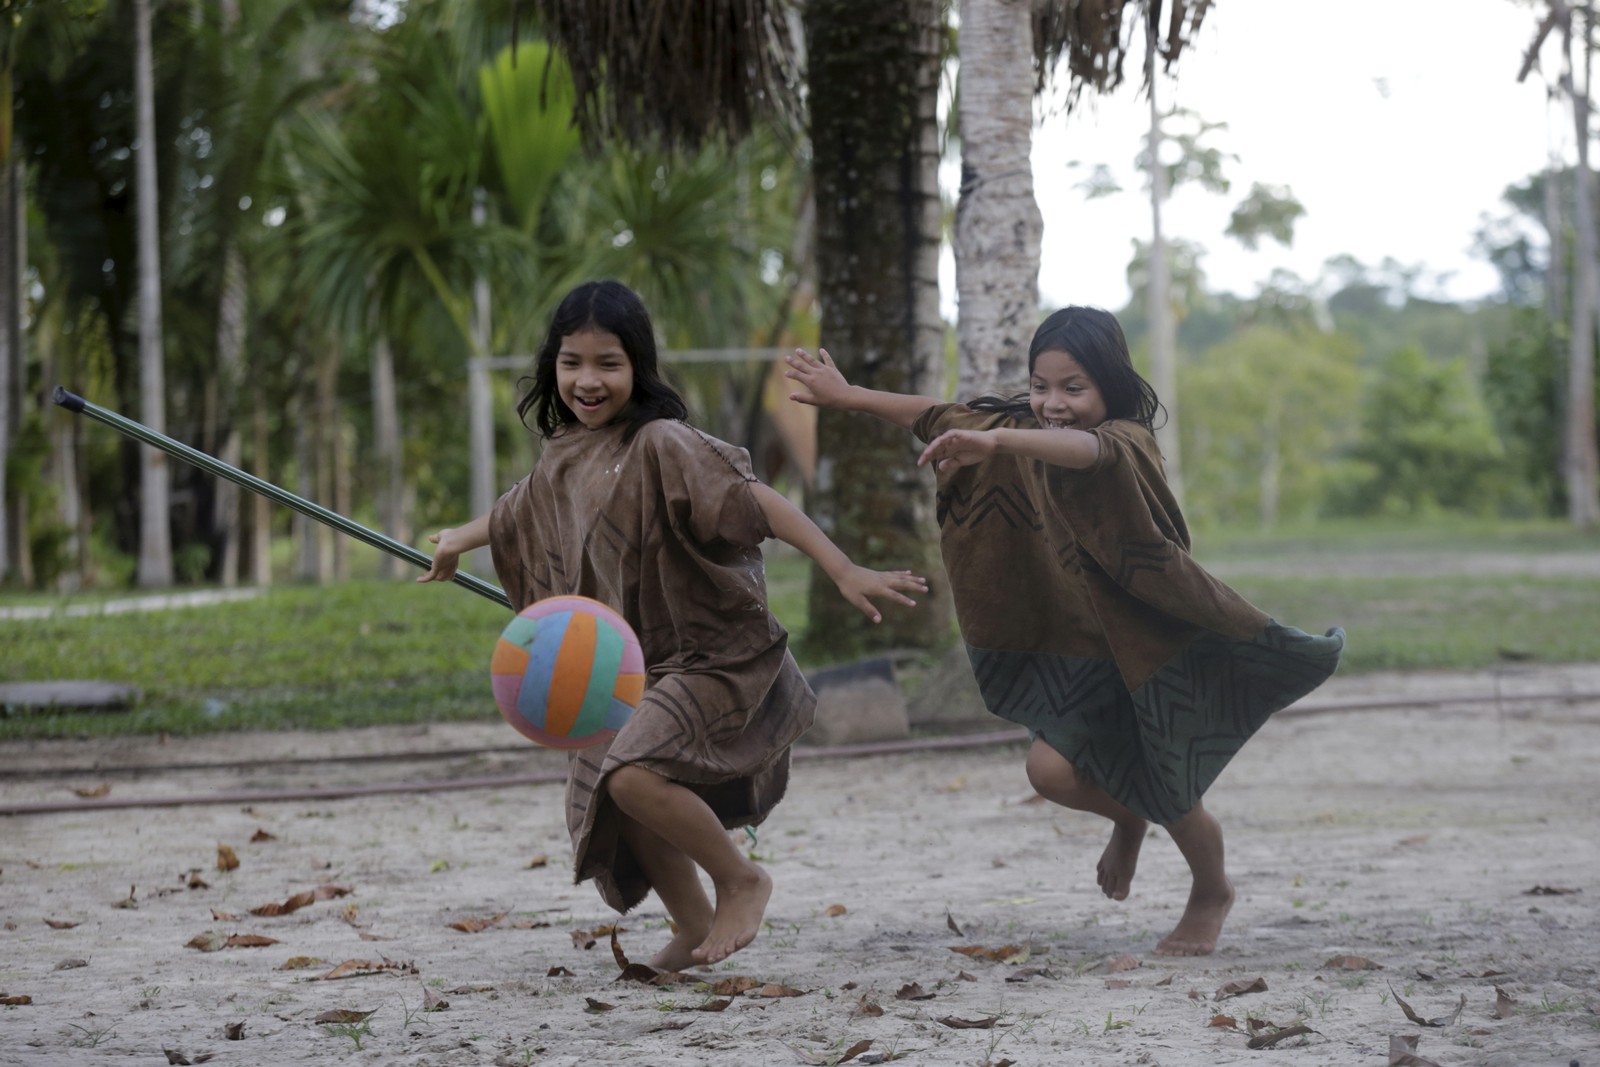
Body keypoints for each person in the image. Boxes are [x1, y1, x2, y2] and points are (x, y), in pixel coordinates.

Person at [784, 306, 1344, 957]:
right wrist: (848, 396)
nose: (1053, 403)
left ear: (1110, 385)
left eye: (1073, 387)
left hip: (1142, 649)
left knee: (1171, 785)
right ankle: (1128, 815)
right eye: (1041, 385)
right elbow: (932, 413)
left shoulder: (1125, 441)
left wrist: (999, 443)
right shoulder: (1014, 426)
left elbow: (1087, 450)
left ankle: (1211, 889)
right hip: (1075, 649)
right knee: (1048, 771)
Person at [418, 280, 926, 972]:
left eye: (608, 363)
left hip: (710, 658)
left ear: (639, 367)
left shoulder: (662, 442)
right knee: (611, 782)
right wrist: (458, 540)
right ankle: (692, 924)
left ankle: (742, 878)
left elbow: (754, 501)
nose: (587, 381)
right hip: (637, 670)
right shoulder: (562, 452)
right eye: (571, 362)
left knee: (629, 770)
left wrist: (842, 568)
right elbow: (519, 511)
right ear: (552, 365)